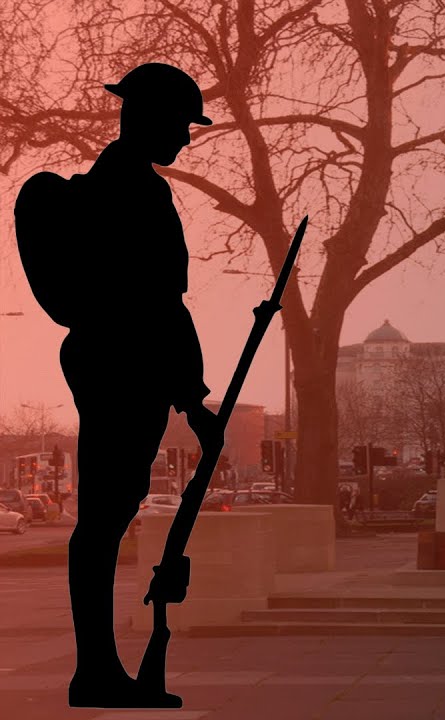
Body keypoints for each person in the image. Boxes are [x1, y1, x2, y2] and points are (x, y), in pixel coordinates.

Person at [15, 63, 222, 708]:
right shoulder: (133, 192)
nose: (186, 139)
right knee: (104, 522)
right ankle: (96, 670)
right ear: (147, 118)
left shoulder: (116, 186)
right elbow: (160, 303)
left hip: (114, 360)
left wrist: (190, 394)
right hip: (126, 365)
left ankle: (98, 667)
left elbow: (161, 303)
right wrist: (194, 398)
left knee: (107, 518)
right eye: (181, 125)